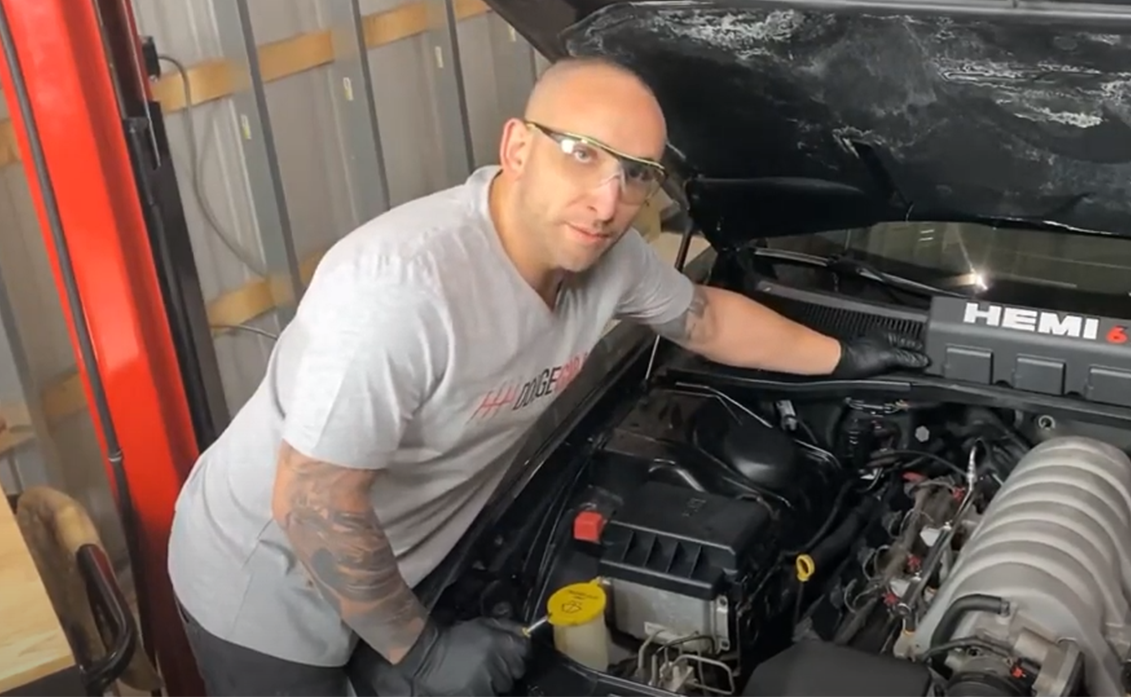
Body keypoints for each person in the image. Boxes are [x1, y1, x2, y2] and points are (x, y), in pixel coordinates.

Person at [165, 57, 929, 696]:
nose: (607, 201)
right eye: (582, 152)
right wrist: (424, 651)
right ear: (519, 147)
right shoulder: (399, 290)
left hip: (414, 550)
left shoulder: (608, 258)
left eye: (636, 174)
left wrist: (846, 357)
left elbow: (702, 318)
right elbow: (313, 501)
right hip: (269, 584)